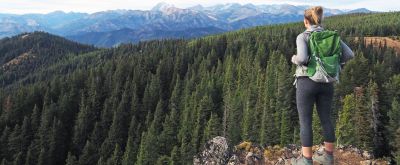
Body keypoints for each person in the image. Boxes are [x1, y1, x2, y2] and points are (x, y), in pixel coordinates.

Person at [290, 6, 354, 165]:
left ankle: (306, 160)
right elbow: (350, 54)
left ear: (306, 21)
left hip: (306, 82)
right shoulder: (332, 36)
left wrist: (293, 58)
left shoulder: (302, 36)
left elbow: (303, 59)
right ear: (320, 20)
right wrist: (334, 64)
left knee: (305, 121)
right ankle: (328, 157)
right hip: (327, 82)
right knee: (326, 118)